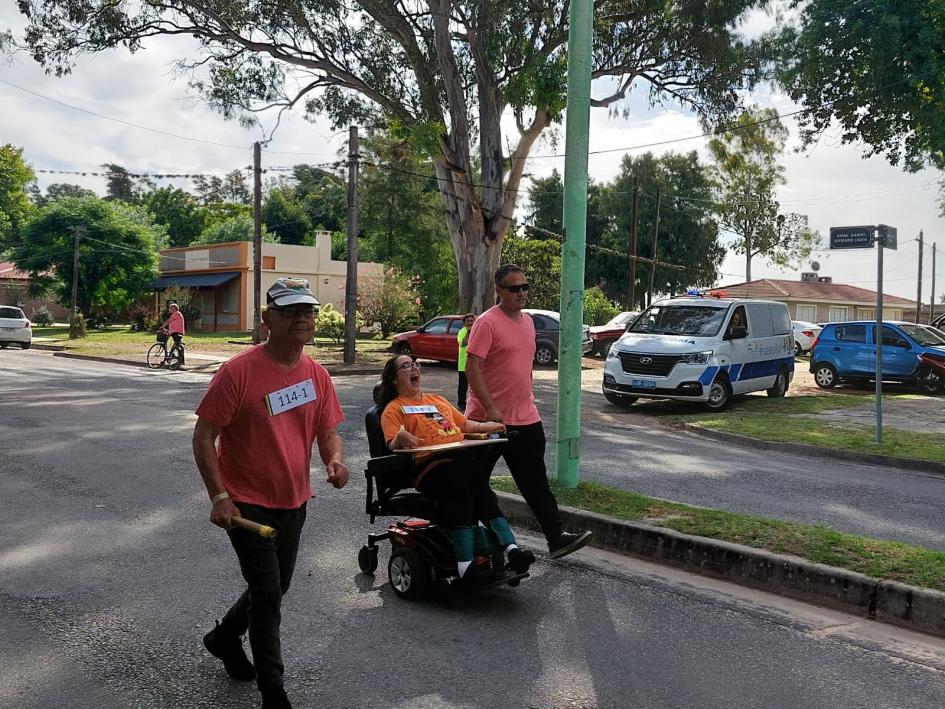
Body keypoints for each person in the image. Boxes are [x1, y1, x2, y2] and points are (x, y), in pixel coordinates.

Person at [192, 277, 349, 709]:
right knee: (267, 595)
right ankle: (273, 690)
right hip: (247, 504)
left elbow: (328, 430)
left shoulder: (316, 374)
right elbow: (205, 436)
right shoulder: (238, 372)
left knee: (276, 588)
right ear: (267, 320)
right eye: (291, 311)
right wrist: (219, 496)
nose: (303, 318)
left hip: (294, 501)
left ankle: (224, 637)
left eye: (308, 311)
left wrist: (334, 459)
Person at [465, 264, 592, 559]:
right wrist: (491, 409)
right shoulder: (487, 323)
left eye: (525, 287)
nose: (521, 293)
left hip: (525, 417)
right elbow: (472, 368)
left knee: (535, 483)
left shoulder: (529, 322)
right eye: (514, 288)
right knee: (473, 483)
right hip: (487, 421)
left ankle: (556, 537)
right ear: (499, 291)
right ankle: (468, 535)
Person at [377, 354, 536, 584]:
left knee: (480, 488)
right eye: (406, 366)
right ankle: (466, 567)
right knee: (463, 485)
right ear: (393, 378)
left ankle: (512, 550)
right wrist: (400, 437)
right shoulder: (394, 409)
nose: (414, 368)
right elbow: (392, 443)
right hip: (428, 467)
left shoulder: (436, 401)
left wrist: (489, 426)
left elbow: (465, 425)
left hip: (458, 462)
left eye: (415, 365)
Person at [456, 313, 476, 410]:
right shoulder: (461, 332)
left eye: (472, 321)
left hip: (475, 364)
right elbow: (463, 344)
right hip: (463, 365)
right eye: (468, 321)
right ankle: (461, 404)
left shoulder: (478, 331)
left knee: (476, 386)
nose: (470, 323)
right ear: (464, 323)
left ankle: (475, 404)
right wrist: (468, 332)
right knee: (463, 387)